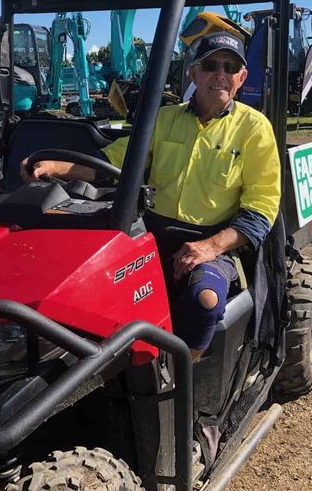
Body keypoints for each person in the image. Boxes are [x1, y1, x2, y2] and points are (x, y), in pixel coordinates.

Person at [20, 31, 281, 359]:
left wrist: (211, 247)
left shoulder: (255, 128)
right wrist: (56, 166)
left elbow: (261, 209)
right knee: (87, 285)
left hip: (215, 242)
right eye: (211, 65)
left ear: (241, 78)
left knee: (205, 300)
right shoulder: (163, 119)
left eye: (230, 68)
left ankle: (184, 373)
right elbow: (115, 163)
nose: (220, 74)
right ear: (193, 73)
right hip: (153, 234)